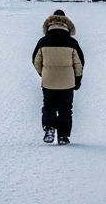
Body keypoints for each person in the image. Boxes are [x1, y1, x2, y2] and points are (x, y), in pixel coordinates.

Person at [32, 8, 84, 145]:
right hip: (67, 83)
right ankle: (63, 136)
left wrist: (43, 74)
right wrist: (77, 79)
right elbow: (79, 64)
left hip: (49, 81)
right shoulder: (72, 43)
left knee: (49, 105)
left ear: (49, 24)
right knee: (65, 108)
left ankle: (49, 129)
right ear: (66, 24)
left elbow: (36, 61)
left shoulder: (43, 42)